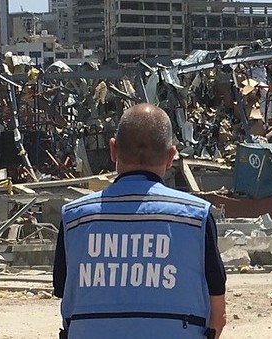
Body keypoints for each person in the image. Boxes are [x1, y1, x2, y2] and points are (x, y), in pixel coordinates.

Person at [53, 104, 227, 338]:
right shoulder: (197, 216)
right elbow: (218, 316)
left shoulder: (75, 218)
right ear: (171, 156)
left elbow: (66, 297)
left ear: (113, 150)